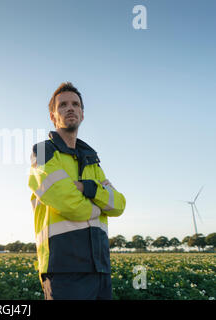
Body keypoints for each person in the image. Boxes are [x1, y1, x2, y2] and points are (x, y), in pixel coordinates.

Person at [28, 82, 126, 300]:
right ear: (53, 117)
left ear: (82, 114)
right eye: (62, 105)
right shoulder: (44, 152)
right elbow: (68, 203)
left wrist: (88, 188)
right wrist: (99, 205)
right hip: (64, 268)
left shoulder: (92, 161)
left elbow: (119, 204)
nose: (70, 108)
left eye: (75, 104)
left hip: (100, 268)